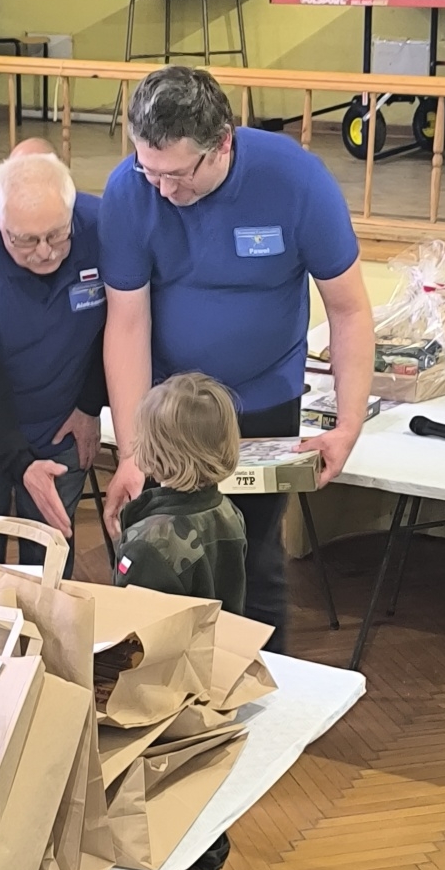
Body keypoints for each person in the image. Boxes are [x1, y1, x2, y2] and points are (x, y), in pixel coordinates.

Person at [100, 66, 374, 653]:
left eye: (177, 175)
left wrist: (348, 423)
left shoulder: (295, 180)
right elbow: (126, 323)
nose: (162, 190)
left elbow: (349, 310)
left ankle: (262, 686)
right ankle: (163, 685)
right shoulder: (129, 190)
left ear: (222, 143)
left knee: (251, 553)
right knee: (163, 551)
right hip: (170, 411)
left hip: (264, 397)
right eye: (149, 171)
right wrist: (130, 452)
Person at [114, 373, 245, 870]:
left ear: (153, 449)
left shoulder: (152, 539)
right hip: (216, 678)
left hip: (162, 693)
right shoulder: (228, 512)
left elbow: (134, 630)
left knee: (160, 793)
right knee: (206, 785)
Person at [0, 147, 106, 572]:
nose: (45, 252)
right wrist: (20, 465)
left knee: (50, 565)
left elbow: (120, 323)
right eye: (25, 240)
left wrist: (89, 405)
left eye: (57, 235)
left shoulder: (103, 227)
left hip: (60, 423)